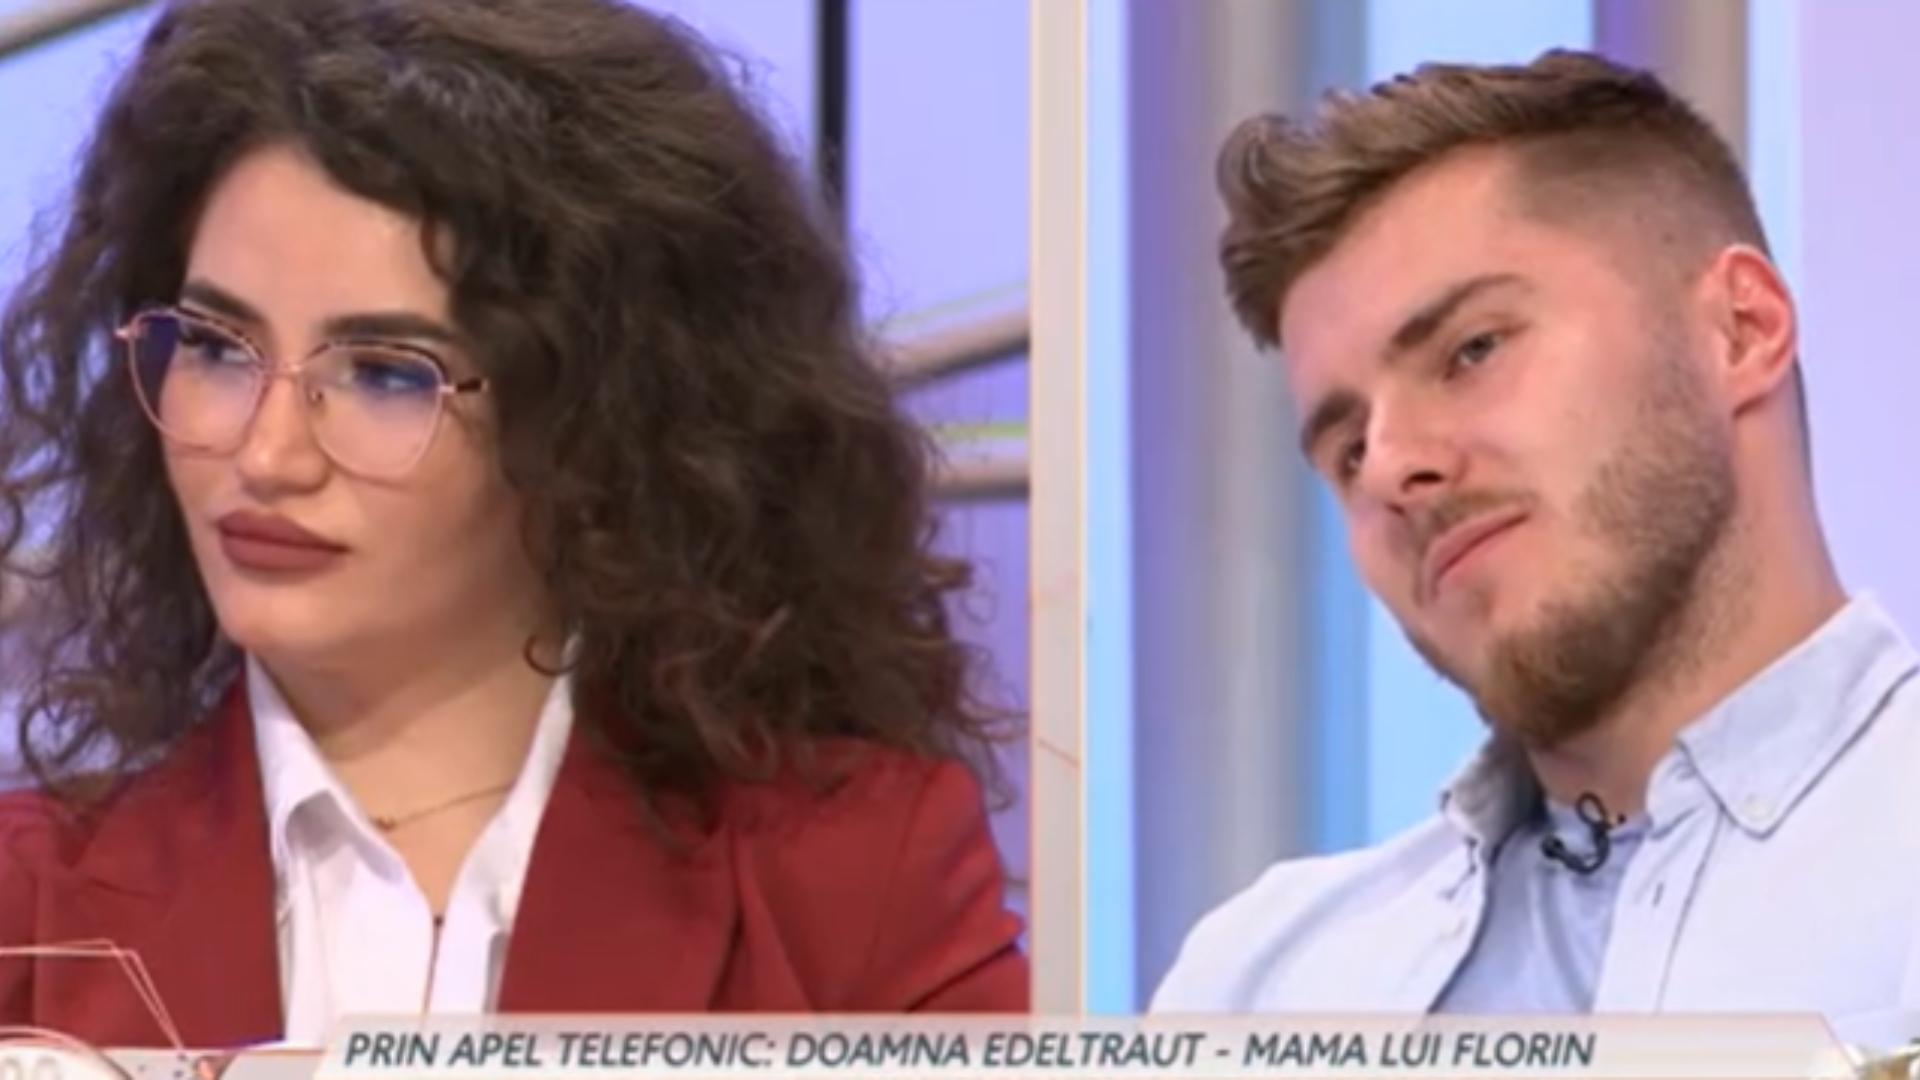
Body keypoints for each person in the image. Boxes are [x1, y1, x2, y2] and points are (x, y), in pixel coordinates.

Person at [0, 0, 1026, 1047]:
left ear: (594, 418)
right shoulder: (20, 911)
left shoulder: (852, 885)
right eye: (217, 348)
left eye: (385, 374)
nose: (266, 456)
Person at [1153, 49, 1920, 1021]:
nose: (1389, 469)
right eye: (1348, 451)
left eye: (1472, 350)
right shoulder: (1258, 983)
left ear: (1741, 328)